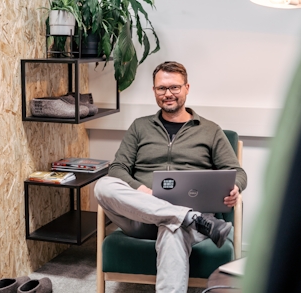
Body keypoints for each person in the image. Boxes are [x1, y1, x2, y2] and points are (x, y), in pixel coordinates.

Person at [94, 61, 247, 293]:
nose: (168, 94)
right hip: (140, 216)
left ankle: (184, 217)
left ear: (187, 88)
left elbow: (238, 173)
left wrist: (235, 187)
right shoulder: (140, 127)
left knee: (173, 227)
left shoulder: (210, 130)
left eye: (174, 87)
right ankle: (189, 217)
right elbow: (117, 168)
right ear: (154, 91)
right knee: (103, 185)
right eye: (161, 88)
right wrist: (141, 191)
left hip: (185, 223)